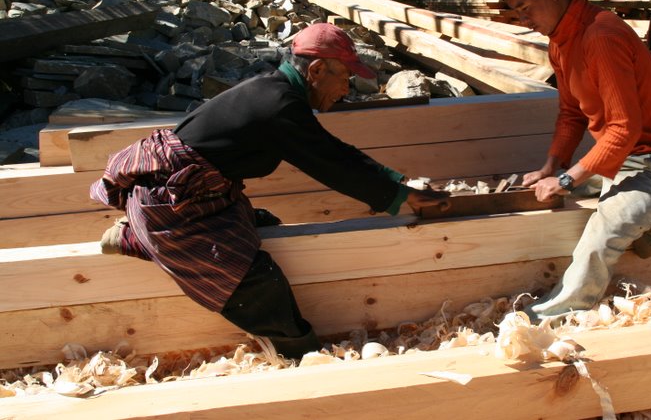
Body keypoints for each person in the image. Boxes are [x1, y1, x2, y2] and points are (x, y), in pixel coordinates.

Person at [90, 23, 450, 359]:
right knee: (255, 281)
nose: (347, 89)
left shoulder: (276, 93)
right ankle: (298, 355)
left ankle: (136, 236)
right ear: (317, 71)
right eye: (346, 77)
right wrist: (401, 198)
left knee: (261, 222)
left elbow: (332, 150)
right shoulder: (279, 105)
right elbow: (331, 163)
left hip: (195, 194)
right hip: (174, 204)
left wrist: (396, 181)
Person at [497, 0, 651, 321]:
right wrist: (551, 167)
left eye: (525, 8)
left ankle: (555, 315)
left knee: (603, 230)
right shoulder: (560, 41)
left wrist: (568, 177)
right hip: (621, 159)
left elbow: (625, 128)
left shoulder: (600, 35)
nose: (522, 19)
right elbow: (570, 113)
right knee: (545, 192)